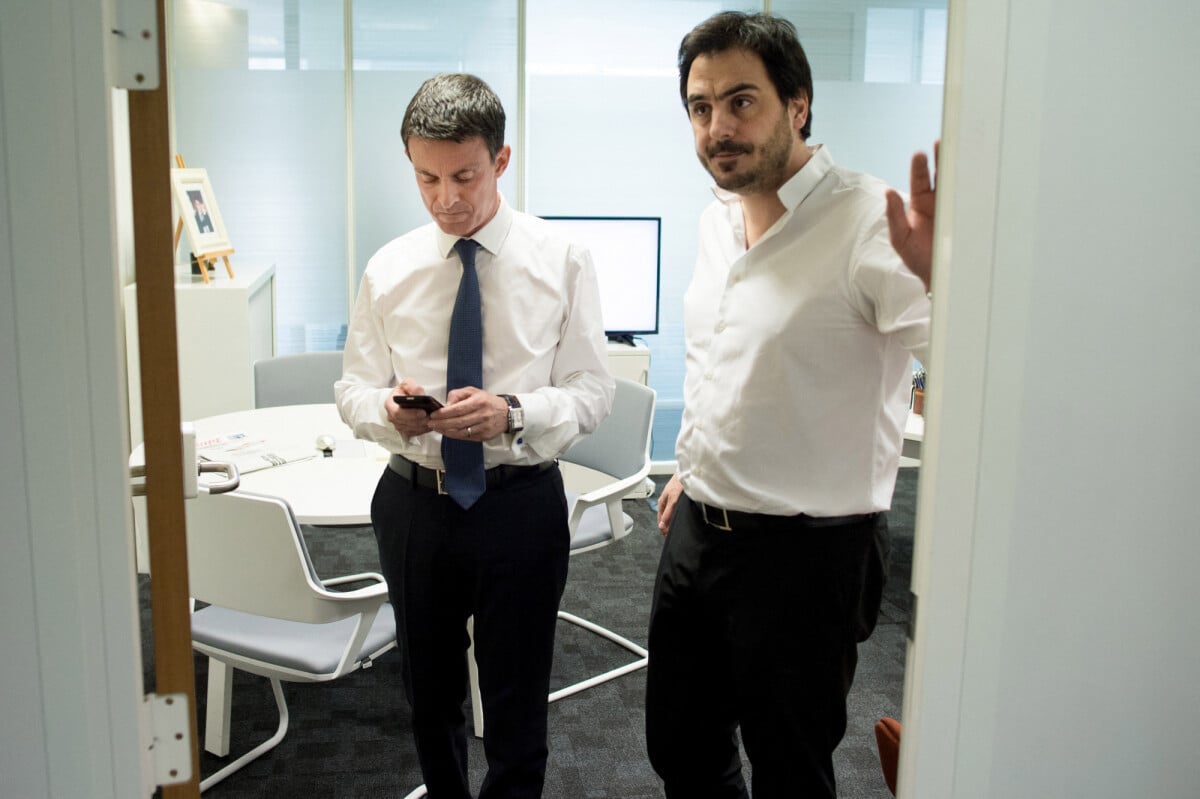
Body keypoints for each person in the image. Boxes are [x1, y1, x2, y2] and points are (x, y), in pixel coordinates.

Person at [645, 12, 932, 799]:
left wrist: (951, 281)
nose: (717, 127)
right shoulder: (717, 220)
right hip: (700, 531)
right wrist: (691, 466)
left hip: (809, 557)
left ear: (798, 104)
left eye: (742, 101)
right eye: (700, 107)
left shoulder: (871, 223)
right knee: (681, 747)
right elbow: (719, 363)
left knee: (790, 768)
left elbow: (970, 370)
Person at [335, 73, 613, 799]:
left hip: (518, 503)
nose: (446, 198)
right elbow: (352, 389)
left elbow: (593, 391)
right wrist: (387, 412)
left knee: (517, 702)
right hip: (414, 504)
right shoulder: (388, 268)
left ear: (502, 159)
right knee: (427, 697)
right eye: (426, 178)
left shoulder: (562, 259)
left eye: (465, 175)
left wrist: (513, 412)